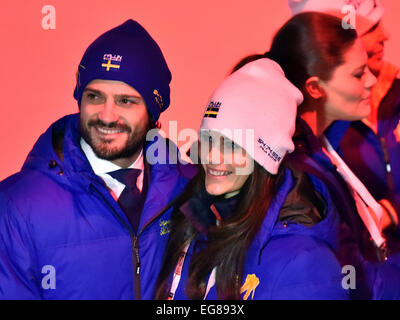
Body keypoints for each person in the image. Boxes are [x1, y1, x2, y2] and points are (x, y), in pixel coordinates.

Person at [0, 19, 195, 299]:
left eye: (125, 101)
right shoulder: (17, 206)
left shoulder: (191, 190)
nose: (106, 115)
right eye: (94, 97)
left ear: (153, 111)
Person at [155, 58, 348, 300]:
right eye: (209, 139)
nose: (213, 157)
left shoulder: (305, 265)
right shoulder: (194, 220)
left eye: (232, 146)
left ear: (265, 158)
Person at [263, 12, 400, 299]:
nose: (372, 81)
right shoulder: (300, 172)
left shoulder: (320, 146)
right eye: (358, 73)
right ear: (314, 87)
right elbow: (356, 281)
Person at [288, 0, 400, 242]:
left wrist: (390, 212)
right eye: (371, 28)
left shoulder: (394, 92)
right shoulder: (298, 156)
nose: (386, 35)